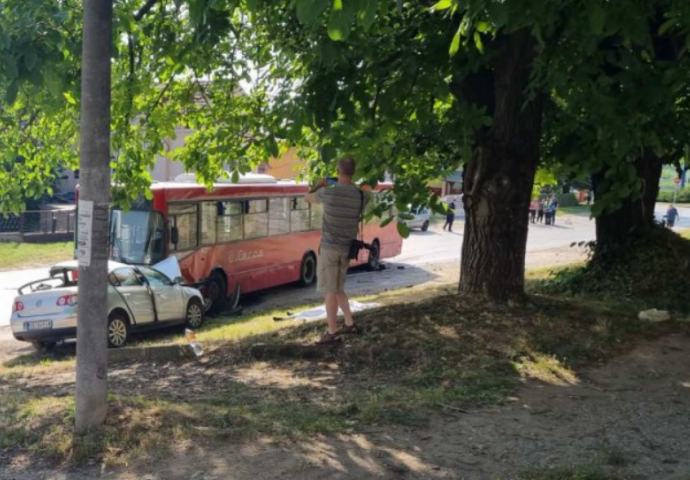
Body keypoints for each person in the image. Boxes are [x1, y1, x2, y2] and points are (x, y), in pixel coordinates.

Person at [306, 157, 366, 344]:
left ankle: (332, 333)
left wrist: (320, 183)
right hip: (347, 249)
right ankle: (349, 323)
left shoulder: (327, 193)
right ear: (353, 173)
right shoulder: (360, 195)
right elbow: (356, 187)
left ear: (337, 171)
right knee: (338, 287)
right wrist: (346, 180)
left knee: (330, 291)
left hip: (330, 249)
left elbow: (307, 197)